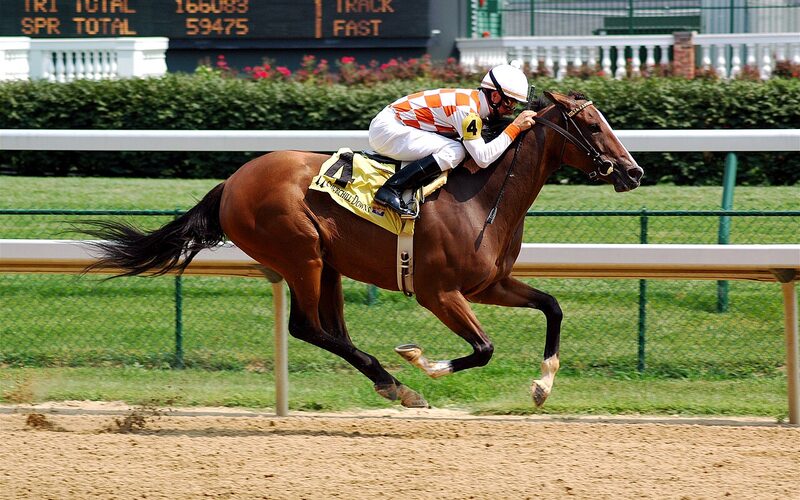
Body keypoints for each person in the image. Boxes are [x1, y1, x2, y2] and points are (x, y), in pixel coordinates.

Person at [368, 63, 538, 217]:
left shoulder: (474, 104)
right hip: (387, 130)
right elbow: (483, 159)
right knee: (455, 150)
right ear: (494, 96)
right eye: (509, 104)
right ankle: (391, 188)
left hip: (395, 125)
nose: (510, 111)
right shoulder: (468, 113)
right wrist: (514, 127)